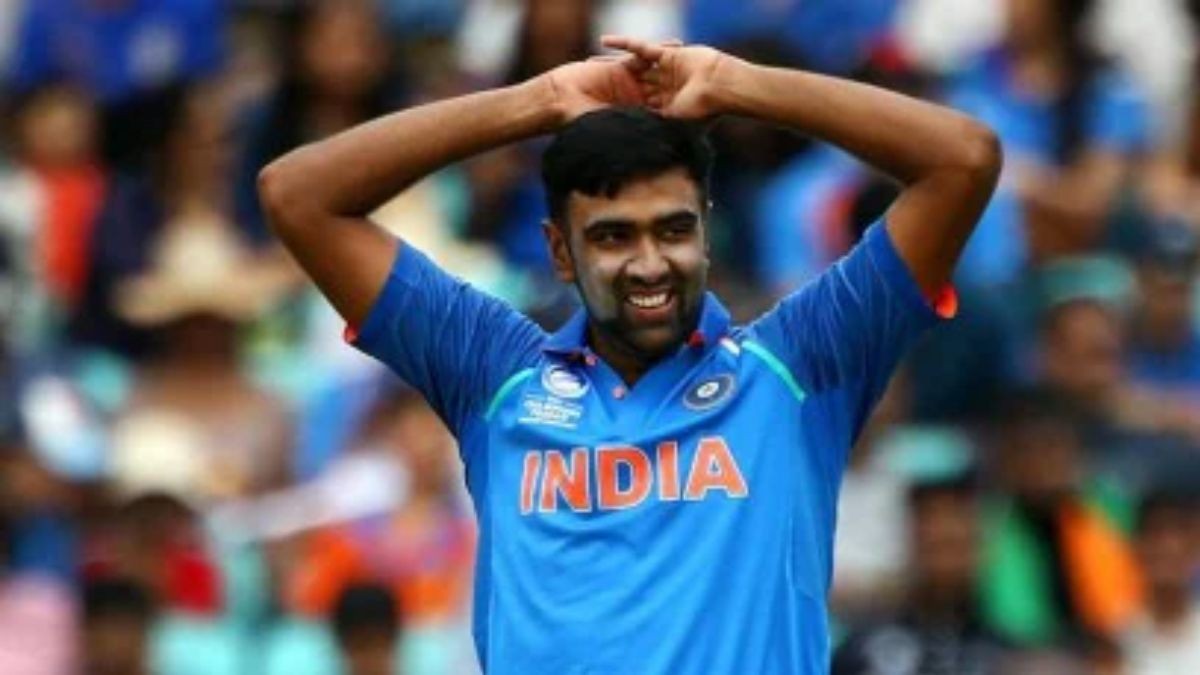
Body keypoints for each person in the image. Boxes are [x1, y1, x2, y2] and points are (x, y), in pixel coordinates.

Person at [259, 35, 1001, 674]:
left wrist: (739, 84)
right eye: (613, 236)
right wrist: (538, 101)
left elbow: (963, 159)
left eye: (673, 229)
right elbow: (298, 195)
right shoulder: (493, 372)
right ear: (560, 251)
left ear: (705, 230)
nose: (650, 264)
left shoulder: (797, 367)